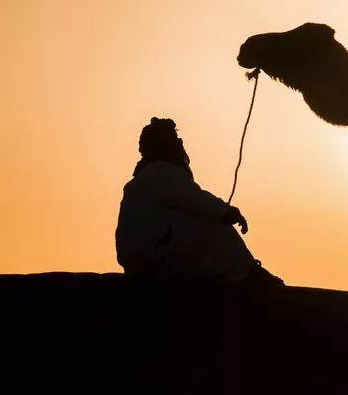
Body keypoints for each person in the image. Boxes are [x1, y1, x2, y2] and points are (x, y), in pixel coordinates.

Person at [115, 117, 283, 286]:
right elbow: (197, 201)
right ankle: (246, 272)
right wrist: (229, 212)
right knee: (216, 225)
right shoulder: (161, 172)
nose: (180, 144)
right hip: (154, 259)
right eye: (175, 140)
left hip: (140, 261)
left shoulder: (143, 178)